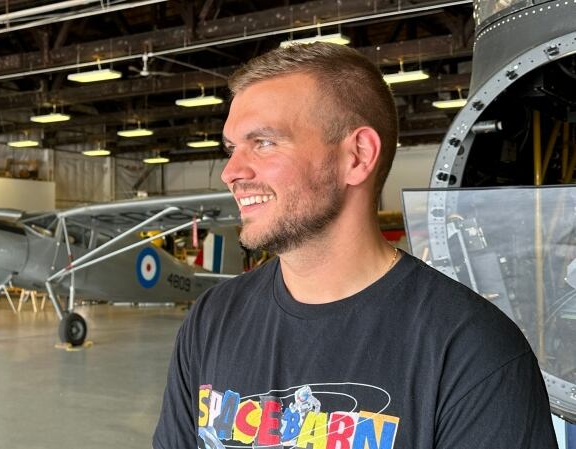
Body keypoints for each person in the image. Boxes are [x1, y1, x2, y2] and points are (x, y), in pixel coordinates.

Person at [153, 43, 557, 449]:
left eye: (264, 142)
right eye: (231, 148)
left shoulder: (472, 350)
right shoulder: (211, 320)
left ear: (357, 156)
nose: (231, 172)